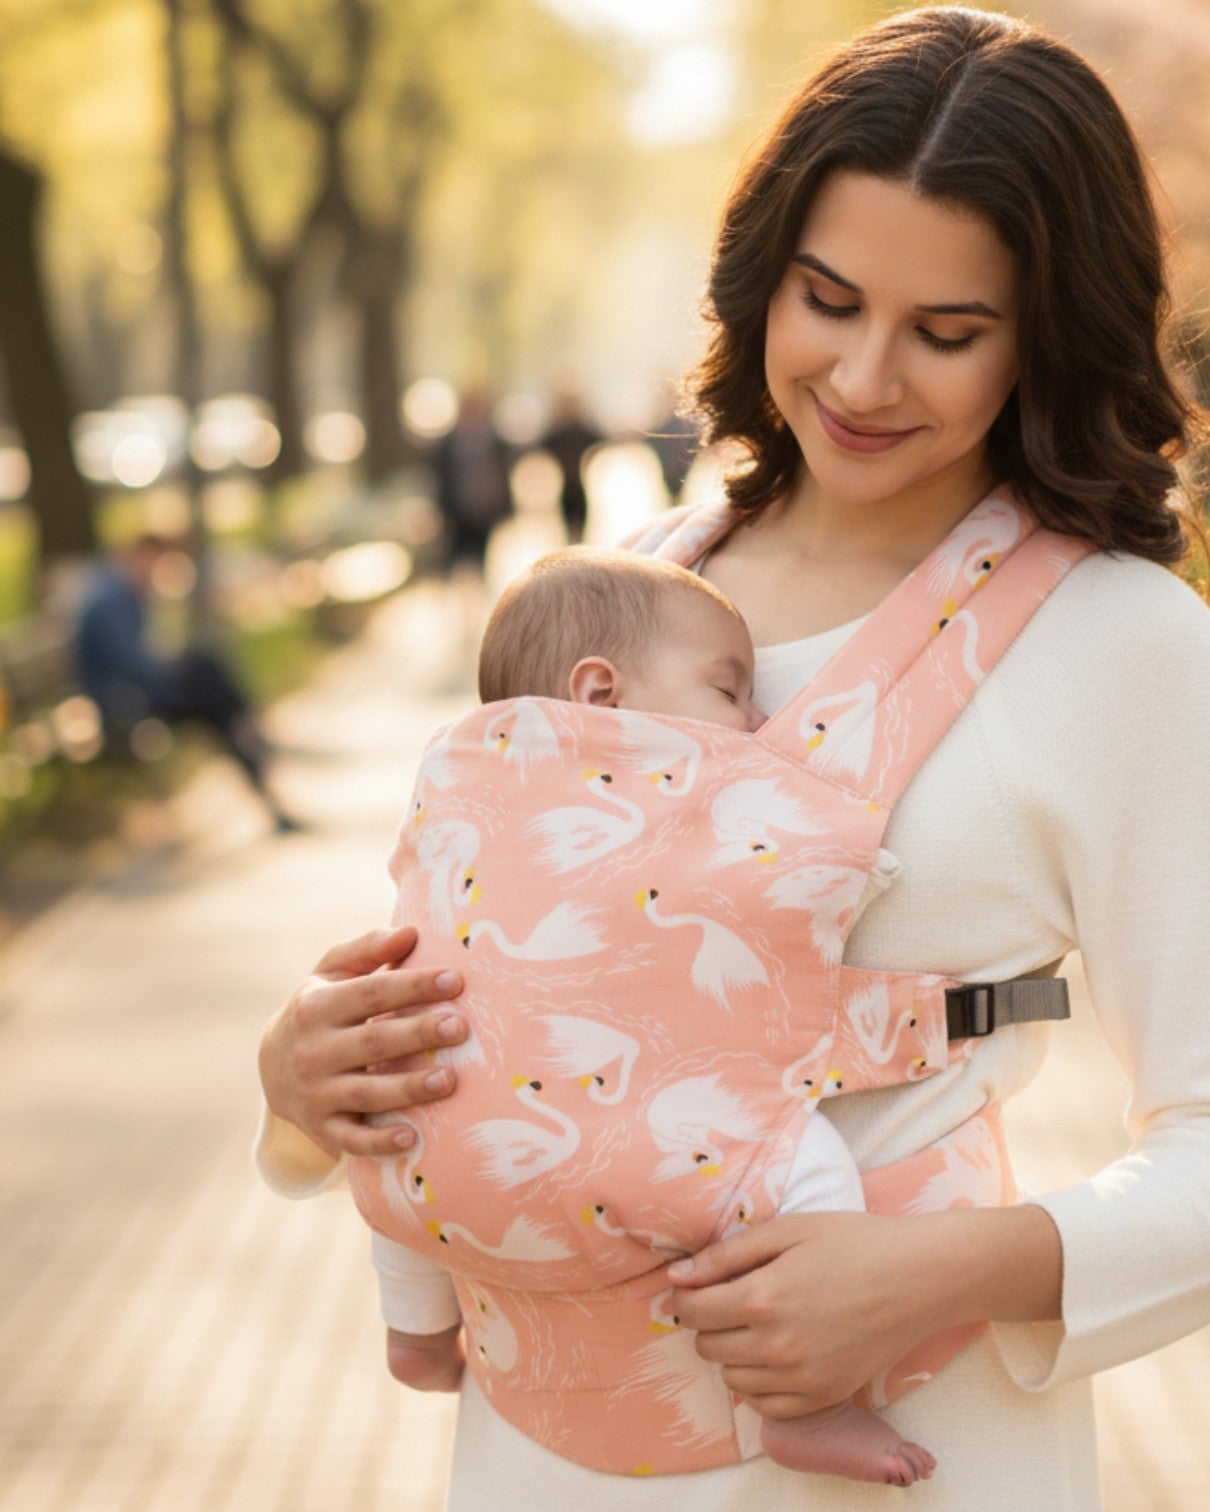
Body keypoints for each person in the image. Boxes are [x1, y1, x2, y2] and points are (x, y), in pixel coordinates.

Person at [255, 10, 1210, 1509]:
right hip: (541, 1449)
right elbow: (491, 974)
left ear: (1046, 336)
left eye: (948, 333)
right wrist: (301, 1084)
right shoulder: (637, 584)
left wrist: (936, 1271)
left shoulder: (1119, 646)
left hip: (910, 1447)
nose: (868, 376)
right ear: (763, 276)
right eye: (827, 300)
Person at [370, 545, 932, 1487]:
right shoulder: (677, 798)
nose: (753, 719)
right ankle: (809, 1400)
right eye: (729, 689)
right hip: (631, 1138)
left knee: (402, 1158)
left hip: (429, 1116)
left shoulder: (457, 774)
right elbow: (772, 877)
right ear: (600, 696)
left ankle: (416, 1332)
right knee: (801, 1168)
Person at [73, 533, 299, 832]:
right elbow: (134, 663)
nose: (157, 576)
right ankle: (251, 729)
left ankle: (252, 742)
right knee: (207, 673)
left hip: (137, 693)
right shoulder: (112, 598)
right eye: (155, 566)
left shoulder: (122, 594)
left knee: (217, 705)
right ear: (140, 557)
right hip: (125, 702)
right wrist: (170, 667)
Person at [432, 389, 517, 574]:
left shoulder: (494, 439)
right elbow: (441, 476)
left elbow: (504, 472)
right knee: (459, 559)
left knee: (481, 557)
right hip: (460, 510)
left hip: (486, 508)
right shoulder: (449, 442)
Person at [539, 389, 605, 545]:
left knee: (581, 529)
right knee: (568, 530)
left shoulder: (582, 429)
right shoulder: (558, 432)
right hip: (565, 486)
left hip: (579, 485)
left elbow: (599, 439)